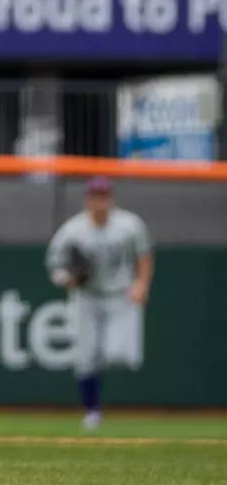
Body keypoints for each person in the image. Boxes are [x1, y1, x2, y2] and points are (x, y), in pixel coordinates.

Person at [45, 176, 153, 431]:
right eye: (95, 196)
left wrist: (141, 284)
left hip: (120, 295)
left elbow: (144, 255)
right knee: (85, 358)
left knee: (118, 355)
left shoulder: (129, 225)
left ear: (111, 198)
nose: (99, 201)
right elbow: (54, 265)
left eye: (104, 195)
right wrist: (68, 278)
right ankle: (92, 411)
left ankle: (104, 402)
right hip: (86, 296)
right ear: (87, 199)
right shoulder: (72, 230)